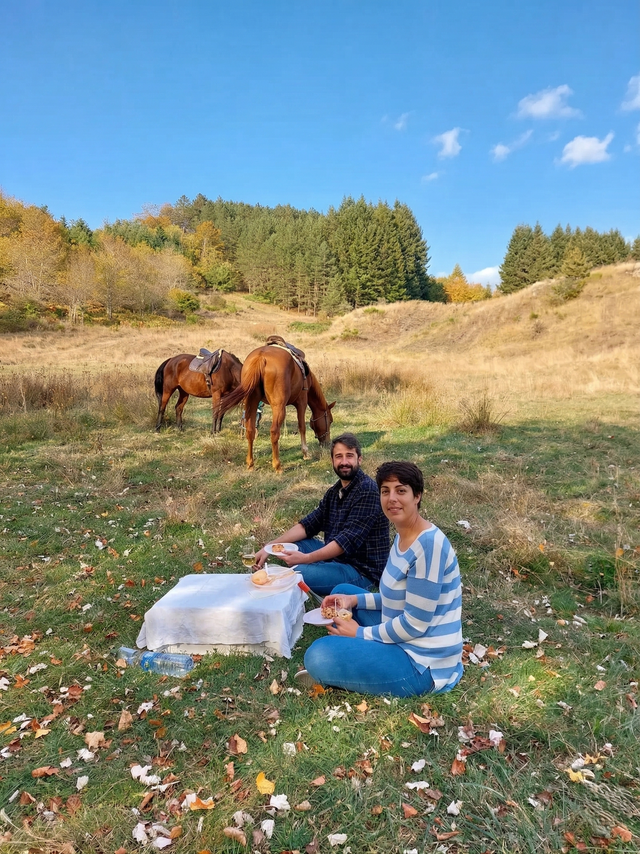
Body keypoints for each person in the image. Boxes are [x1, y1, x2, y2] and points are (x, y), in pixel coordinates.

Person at [296, 461, 463, 697]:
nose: (392, 498)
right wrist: (354, 600)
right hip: (405, 639)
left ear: (417, 496)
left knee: (318, 655)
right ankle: (358, 656)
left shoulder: (428, 547)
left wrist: (359, 633)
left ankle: (348, 659)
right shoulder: (403, 535)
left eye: (401, 490)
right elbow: (399, 598)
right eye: (385, 491)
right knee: (345, 591)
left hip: (423, 662)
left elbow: (414, 625)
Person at [253, 433, 389, 596]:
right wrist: (270, 546)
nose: (344, 462)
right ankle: (315, 568)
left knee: (299, 571)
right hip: (337, 558)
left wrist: (305, 558)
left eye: (349, 456)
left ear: (359, 459)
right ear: (332, 460)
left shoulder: (367, 491)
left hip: (360, 571)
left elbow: (345, 542)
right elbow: (308, 525)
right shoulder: (335, 491)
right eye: (339, 456)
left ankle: (309, 569)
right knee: (290, 545)